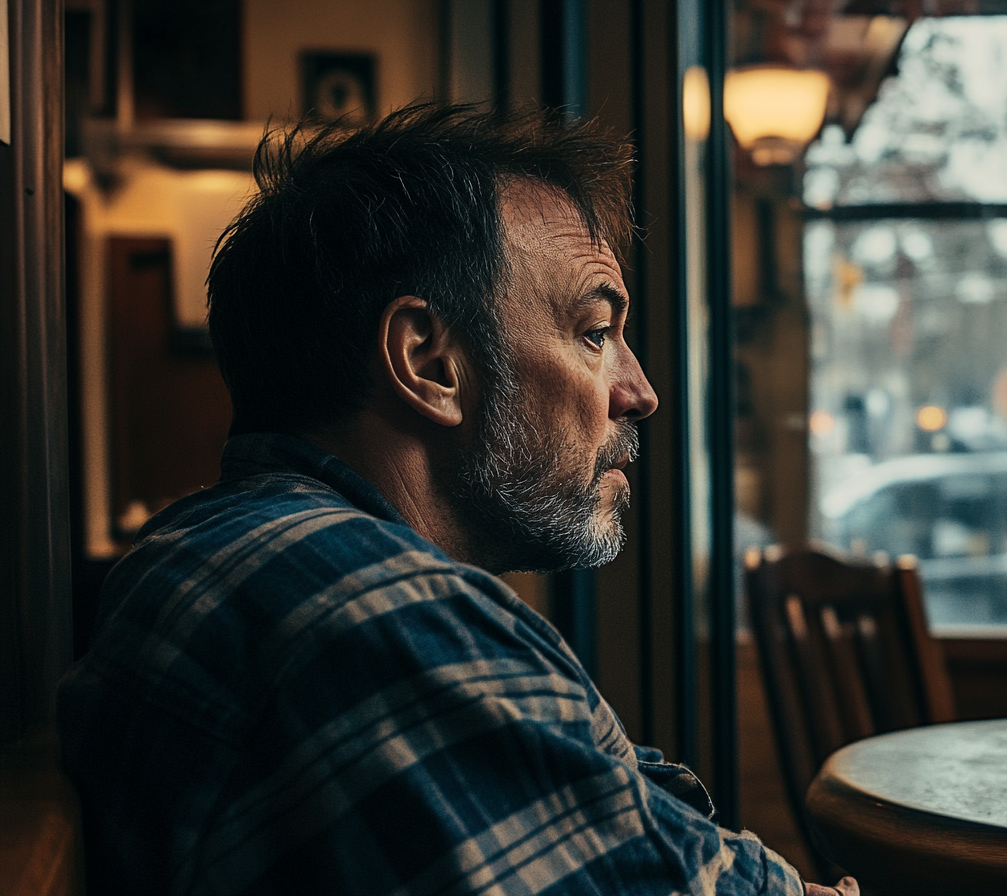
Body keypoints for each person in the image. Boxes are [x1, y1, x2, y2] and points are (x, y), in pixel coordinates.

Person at [57, 104, 860, 896]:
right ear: (430, 362)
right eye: (593, 332)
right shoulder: (369, 603)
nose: (639, 391)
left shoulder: (228, 550)